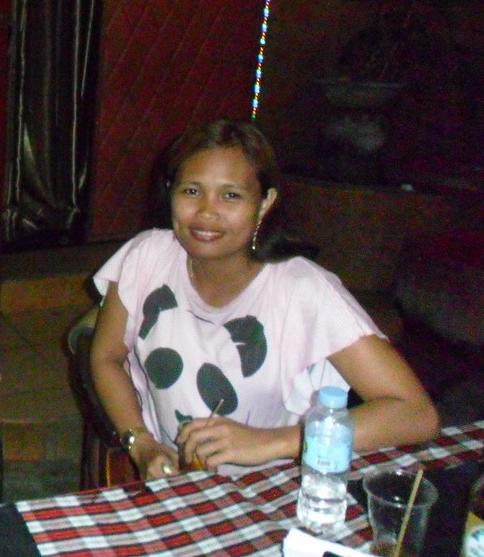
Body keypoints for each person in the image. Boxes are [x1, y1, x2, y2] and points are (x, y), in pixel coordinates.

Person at [89, 118, 439, 481]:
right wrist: (141, 443)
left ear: (264, 203)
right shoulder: (146, 258)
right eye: (191, 191)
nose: (206, 212)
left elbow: (415, 413)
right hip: (180, 489)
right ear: (171, 192)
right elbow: (106, 356)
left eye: (230, 195)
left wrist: (274, 441)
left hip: (272, 492)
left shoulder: (302, 290)